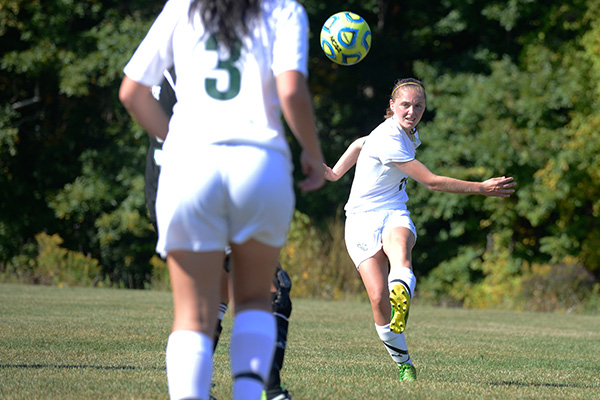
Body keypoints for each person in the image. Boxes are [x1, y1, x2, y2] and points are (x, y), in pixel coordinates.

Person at [119, 0, 325, 399]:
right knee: (254, 299)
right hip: (259, 164)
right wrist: (312, 154)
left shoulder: (183, 6)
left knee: (193, 314)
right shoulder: (284, 9)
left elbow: (132, 93)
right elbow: (291, 90)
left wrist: (176, 141)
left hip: (190, 165)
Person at [323, 78, 516, 382]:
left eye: (418, 106)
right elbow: (432, 181)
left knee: (400, 251)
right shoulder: (389, 138)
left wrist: (334, 173)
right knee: (377, 299)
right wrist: (481, 187)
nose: (412, 111)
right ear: (392, 106)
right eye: (405, 105)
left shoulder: (402, 132)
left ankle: (401, 289)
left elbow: (361, 144)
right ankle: (403, 361)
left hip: (393, 211)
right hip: (360, 221)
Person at [147, 71, 293, 400]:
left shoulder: (169, 38)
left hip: (164, 185)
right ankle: (268, 391)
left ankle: (196, 392)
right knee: (270, 292)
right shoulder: (208, 49)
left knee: (205, 304)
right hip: (205, 181)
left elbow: (131, 94)